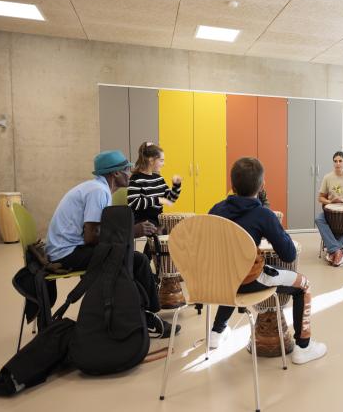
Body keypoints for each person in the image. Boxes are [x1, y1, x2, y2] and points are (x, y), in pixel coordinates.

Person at [45, 150, 180, 338]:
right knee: (136, 261)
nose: (130, 174)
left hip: (68, 248)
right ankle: (147, 316)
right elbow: (91, 236)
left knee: (129, 257)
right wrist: (133, 231)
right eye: (126, 169)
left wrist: (129, 230)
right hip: (67, 254)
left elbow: (100, 232)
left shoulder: (97, 188)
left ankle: (137, 314)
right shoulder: (98, 191)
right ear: (115, 173)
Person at [207, 157, 327, 364]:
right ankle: (304, 347)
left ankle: (216, 333)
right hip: (248, 281)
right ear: (262, 186)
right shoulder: (263, 214)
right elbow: (288, 254)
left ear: (232, 186)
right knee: (304, 285)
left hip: (221, 278)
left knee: (233, 270)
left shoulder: (216, 210)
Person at [127, 142, 182, 228]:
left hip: (157, 222)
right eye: (161, 160)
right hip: (143, 224)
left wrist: (176, 186)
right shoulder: (136, 179)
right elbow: (133, 204)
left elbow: (170, 199)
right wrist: (157, 200)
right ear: (151, 160)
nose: (164, 164)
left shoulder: (159, 179)